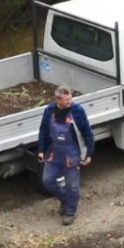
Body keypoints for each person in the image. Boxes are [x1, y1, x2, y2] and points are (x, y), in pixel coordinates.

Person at [37, 86, 94, 226]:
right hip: (54, 152)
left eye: (70, 98)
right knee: (47, 180)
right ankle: (65, 199)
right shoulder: (49, 110)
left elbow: (87, 132)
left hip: (72, 153)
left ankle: (70, 212)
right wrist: (41, 150)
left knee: (72, 185)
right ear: (58, 100)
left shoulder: (77, 111)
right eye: (67, 99)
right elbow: (44, 130)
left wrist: (89, 153)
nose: (70, 101)